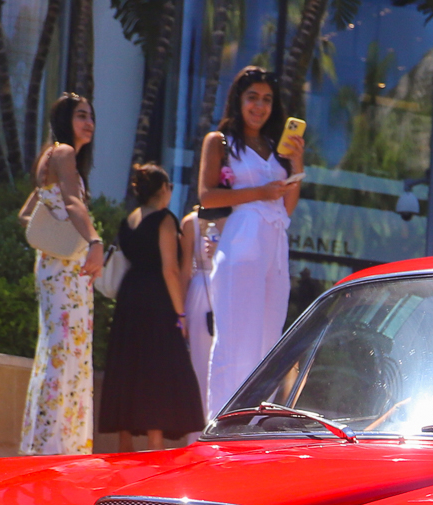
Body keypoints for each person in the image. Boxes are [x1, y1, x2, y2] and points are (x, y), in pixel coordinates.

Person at [197, 66, 302, 419]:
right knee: (235, 339)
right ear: (238, 99)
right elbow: (207, 196)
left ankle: (255, 424)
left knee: (267, 341)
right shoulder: (220, 141)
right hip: (242, 241)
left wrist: (297, 162)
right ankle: (222, 422)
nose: (259, 106)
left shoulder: (277, 146)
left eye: (267, 100)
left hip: (275, 244)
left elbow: (287, 207)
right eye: (252, 98)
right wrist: (260, 192)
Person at [97, 165, 205, 450]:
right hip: (156, 298)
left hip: (129, 295)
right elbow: (170, 269)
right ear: (164, 190)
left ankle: (125, 443)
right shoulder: (164, 219)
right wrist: (180, 313)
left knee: (128, 365)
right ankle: (155, 443)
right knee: (156, 366)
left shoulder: (129, 220)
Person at [18, 92, 102, 456]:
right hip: (65, 270)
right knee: (65, 351)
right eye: (81, 115)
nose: (89, 123)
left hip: (57, 266)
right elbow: (71, 202)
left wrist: (52, 236)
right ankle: (57, 446)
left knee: (58, 349)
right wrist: (93, 240)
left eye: (91, 116)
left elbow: (25, 214)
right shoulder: (64, 153)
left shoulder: (48, 156)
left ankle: (46, 440)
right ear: (65, 118)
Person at [180, 205, 217, 409]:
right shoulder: (191, 222)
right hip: (201, 294)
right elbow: (185, 269)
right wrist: (181, 313)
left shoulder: (237, 218)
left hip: (229, 288)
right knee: (199, 364)